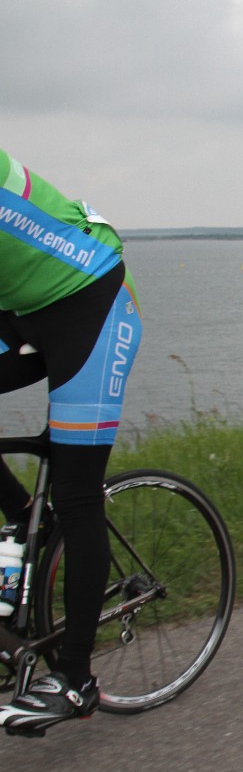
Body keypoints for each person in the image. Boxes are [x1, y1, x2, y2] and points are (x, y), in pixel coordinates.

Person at [0, 148, 143, 734]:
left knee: (77, 494)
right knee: (52, 511)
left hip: (93, 307)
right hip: (24, 309)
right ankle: (27, 520)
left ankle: (76, 678)